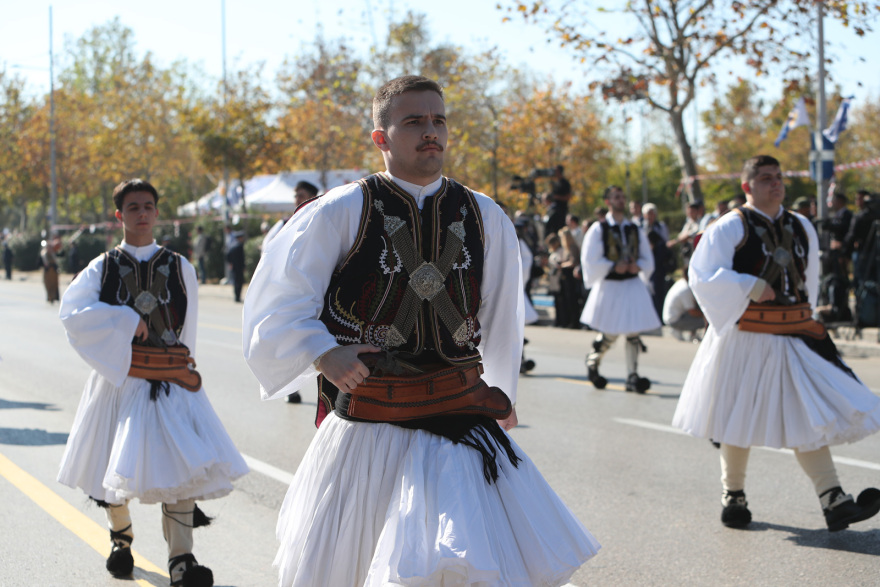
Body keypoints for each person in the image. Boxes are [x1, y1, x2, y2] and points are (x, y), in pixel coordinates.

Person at [243, 75, 599, 587]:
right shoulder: (341, 210)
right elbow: (280, 302)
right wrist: (323, 352)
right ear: (380, 137)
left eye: (438, 120)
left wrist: (504, 393)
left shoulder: (484, 214)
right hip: (372, 424)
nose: (430, 131)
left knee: (459, 567)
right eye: (413, 121)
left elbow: (502, 318)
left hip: (462, 414)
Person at [672, 155, 880, 531]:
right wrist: (747, 285)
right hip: (745, 336)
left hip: (791, 334)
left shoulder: (801, 225)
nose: (776, 183)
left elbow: (809, 279)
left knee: (806, 412)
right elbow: (701, 275)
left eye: (779, 177)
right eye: (766, 178)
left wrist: (807, 318)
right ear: (747, 186)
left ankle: (833, 499)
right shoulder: (731, 225)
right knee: (737, 417)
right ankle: (733, 495)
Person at [57, 179, 248, 586]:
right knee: (111, 465)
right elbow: (72, 312)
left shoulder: (181, 266)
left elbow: (189, 331)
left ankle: (181, 560)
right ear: (119, 215)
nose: (141, 213)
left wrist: (184, 375)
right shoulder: (103, 266)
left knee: (181, 467)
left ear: (157, 212)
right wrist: (124, 319)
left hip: (170, 379)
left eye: (148, 206)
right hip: (119, 379)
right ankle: (121, 539)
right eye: (133, 207)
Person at [580, 185, 661, 393]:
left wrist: (638, 266)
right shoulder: (599, 229)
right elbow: (590, 260)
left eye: (622, 197)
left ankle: (632, 375)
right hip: (611, 286)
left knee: (633, 332)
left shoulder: (634, 228)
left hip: (632, 285)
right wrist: (612, 266)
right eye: (616, 197)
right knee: (610, 332)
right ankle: (593, 360)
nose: (621, 200)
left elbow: (646, 257)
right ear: (608, 201)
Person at [261, 180, 321, 250]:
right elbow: (267, 245)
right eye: (296, 196)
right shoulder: (285, 223)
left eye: (301, 196)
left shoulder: (319, 220)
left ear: (312, 198)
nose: (297, 199)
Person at [662, 268, 704, 342]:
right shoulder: (686, 289)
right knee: (704, 320)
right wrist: (706, 315)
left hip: (671, 317)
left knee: (698, 313)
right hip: (674, 320)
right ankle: (691, 335)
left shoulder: (681, 283)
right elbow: (692, 311)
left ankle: (692, 334)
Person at [543, 164, 572, 237]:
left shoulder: (565, 183)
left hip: (561, 211)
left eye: (555, 170)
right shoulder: (555, 183)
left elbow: (568, 197)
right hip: (554, 210)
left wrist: (557, 197)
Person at [225, 231, 246, 303]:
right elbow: (242, 258)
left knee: (235, 281)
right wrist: (243, 266)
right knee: (239, 282)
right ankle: (238, 296)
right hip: (239, 267)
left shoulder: (232, 245)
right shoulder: (239, 246)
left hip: (234, 267)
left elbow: (227, 255)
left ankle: (236, 296)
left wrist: (230, 263)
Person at [40, 236, 62, 303]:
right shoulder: (44, 253)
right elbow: (45, 262)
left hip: (53, 271)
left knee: (54, 284)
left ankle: (54, 297)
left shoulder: (53, 253)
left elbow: (55, 260)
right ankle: (50, 297)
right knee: (48, 284)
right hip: (48, 271)